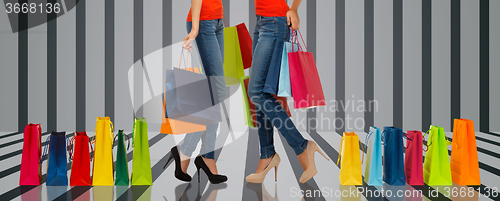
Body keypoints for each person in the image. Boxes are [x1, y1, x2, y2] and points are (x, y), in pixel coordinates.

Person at [245, 0, 328, 184]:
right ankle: (267, 154)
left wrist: (294, 8)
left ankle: (302, 146)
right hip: (261, 21)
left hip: (274, 21)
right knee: (262, 93)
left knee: (257, 92)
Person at [166, 0, 227, 184]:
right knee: (217, 91)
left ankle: (200, 155)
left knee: (214, 93)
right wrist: (194, 28)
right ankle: (188, 150)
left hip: (217, 21)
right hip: (203, 21)